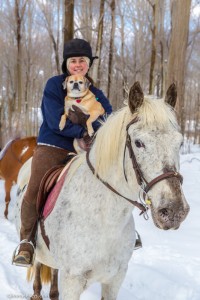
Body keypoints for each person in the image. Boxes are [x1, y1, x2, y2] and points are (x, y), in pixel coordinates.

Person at [12, 38, 112, 267]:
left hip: (86, 151)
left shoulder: (95, 92)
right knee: (35, 187)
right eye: (73, 60)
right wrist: (82, 129)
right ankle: (26, 242)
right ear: (67, 64)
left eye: (82, 61)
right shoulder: (54, 85)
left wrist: (92, 131)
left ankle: (122, 235)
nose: (78, 64)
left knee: (112, 181)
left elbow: (109, 117)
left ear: (88, 65)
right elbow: (54, 120)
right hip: (54, 146)